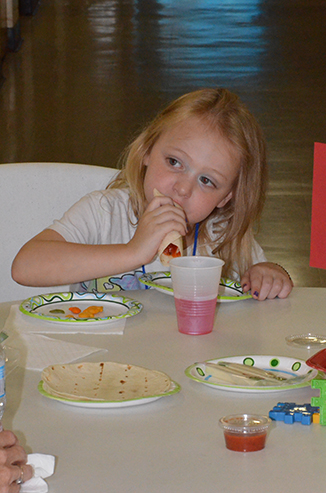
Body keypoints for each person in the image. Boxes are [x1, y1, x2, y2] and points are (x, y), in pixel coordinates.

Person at [12, 87, 293, 301]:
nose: (183, 188)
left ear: (226, 197)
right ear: (147, 151)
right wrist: (132, 251)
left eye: (207, 180)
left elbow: (261, 283)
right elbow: (25, 266)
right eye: (174, 162)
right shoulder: (105, 212)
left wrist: (270, 273)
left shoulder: (225, 237)